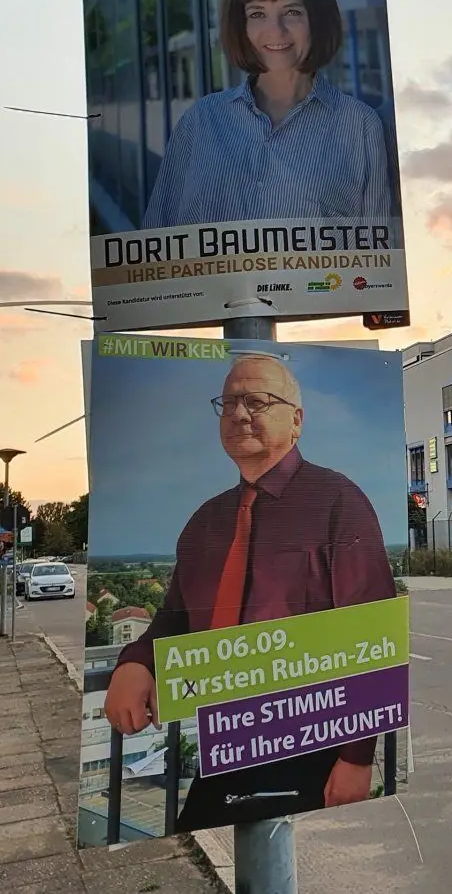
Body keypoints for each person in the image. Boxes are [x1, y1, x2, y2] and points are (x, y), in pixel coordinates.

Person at [102, 351, 397, 832]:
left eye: (257, 401)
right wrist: (136, 662)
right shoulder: (205, 524)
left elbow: (372, 633)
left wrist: (357, 757)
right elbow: (176, 617)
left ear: (296, 420)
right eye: (229, 403)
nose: (239, 414)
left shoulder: (339, 502)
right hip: (227, 740)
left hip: (314, 742)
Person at [139, 0, 395, 231]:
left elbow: (378, 247)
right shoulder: (200, 121)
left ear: (317, 21)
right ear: (241, 26)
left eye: (292, 12)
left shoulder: (361, 126)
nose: (276, 30)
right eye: (257, 13)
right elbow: (156, 236)